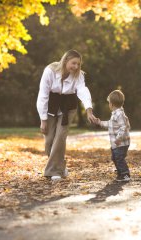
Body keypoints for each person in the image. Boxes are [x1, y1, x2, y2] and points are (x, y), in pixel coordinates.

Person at [37, 49, 97, 181]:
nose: (76, 67)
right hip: (50, 107)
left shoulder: (79, 75)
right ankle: (60, 167)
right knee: (48, 141)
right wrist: (43, 120)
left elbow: (82, 90)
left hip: (68, 108)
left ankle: (52, 171)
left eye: (78, 64)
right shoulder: (50, 71)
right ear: (65, 61)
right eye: (73, 63)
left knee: (60, 138)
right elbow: (43, 95)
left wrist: (88, 109)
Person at [96, 90, 131, 182]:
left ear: (111, 104)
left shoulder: (119, 114)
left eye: (109, 103)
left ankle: (125, 174)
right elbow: (110, 124)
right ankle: (120, 172)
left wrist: (119, 138)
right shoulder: (116, 114)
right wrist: (100, 123)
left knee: (119, 158)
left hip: (121, 143)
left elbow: (123, 127)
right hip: (116, 143)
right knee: (115, 157)